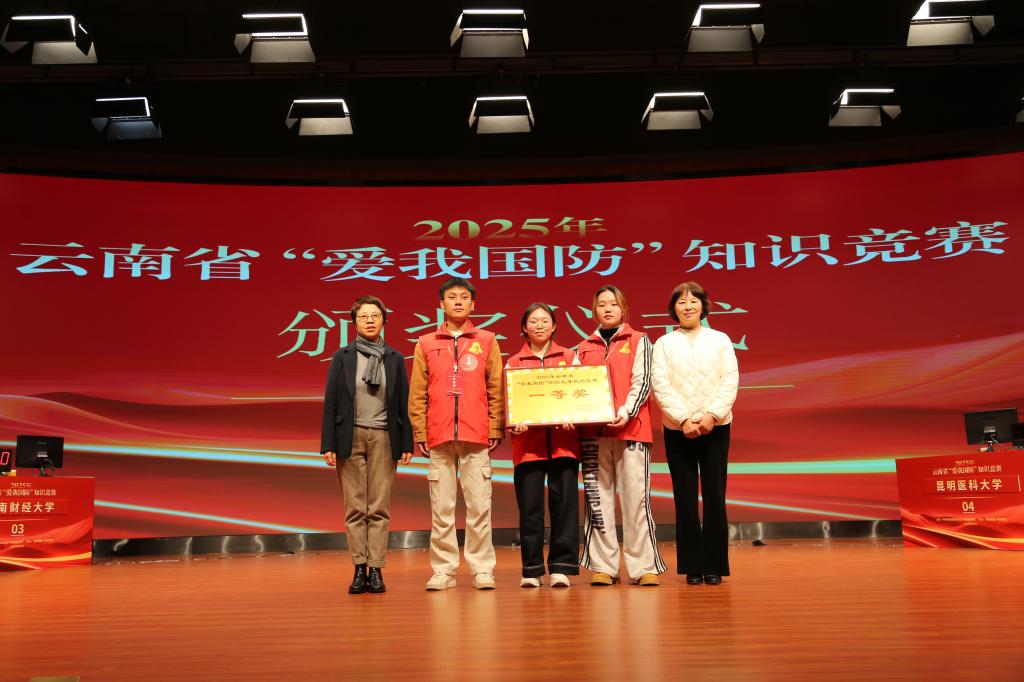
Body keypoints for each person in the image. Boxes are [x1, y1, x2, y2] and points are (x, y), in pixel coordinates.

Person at [408, 277, 504, 591]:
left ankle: (482, 569)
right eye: (452, 297)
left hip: (476, 435)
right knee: (442, 509)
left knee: (479, 507)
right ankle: (444, 571)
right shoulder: (426, 342)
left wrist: (495, 426)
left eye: (464, 297)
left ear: (473, 304)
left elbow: (496, 387)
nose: (458, 302)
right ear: (441, 304)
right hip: (439, 435)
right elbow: (418, 392)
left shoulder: (487, 340)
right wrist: (420, 430)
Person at [320, 295, 413, 594]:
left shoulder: (395, 358)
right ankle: (359, 567)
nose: (370, 320)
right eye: (363, 316)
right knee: (355, 507)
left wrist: (407, 442)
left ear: (384, 320)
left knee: (379, 508)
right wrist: (328, 443)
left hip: (385, 437)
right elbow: (331, 402)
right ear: (354, 323)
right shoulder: (342, 357)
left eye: (375, 316)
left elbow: (403, 403)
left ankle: (377, 569)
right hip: (349, 437)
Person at [576, 285, 666, 586]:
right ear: (594, 310)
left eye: (613, 304)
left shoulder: (639, 340)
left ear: (623, 309)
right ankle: (604, 566)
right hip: (593, 434)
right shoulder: (582, 348)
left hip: (632, 430)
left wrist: (626, 412)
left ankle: (643, 567)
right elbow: (575, 389)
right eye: (602, 304)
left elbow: (643, 382)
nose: (608, 309)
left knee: (635, 500)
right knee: (597, 501)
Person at [651, 281, 738, 586]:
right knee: (685, 499)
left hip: (716, 427)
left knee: (714, 497)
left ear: (703, 306)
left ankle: (714, 566)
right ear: (673, 309)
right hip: (679, 429)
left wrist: (712, 415)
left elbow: (730, 380)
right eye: (681, 302)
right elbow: (660, 384)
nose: (688, 307)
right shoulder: (664, 344)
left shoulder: (720, 339)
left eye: (693, 301)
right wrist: (684, 419)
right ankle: (691, 565)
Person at [506, 303, 581, 588]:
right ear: (524, 328)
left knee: (565, 508)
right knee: (530, 509)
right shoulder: (514, 363)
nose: (539, 325)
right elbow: (507, 402)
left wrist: (575, 417)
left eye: (545, 321)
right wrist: (514, 422)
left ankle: (562, 567)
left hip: (564, 444)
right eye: (533, 321)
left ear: (554, 326)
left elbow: (580, 394)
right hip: (528, 446)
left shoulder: (570, 357)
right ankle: (532, 569)